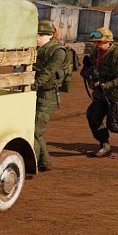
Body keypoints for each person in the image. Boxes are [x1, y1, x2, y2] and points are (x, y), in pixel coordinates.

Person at [83, 27, 118, 158]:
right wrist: (88, 76)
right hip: (100, 94)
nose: (96, 45)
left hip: (116, 94)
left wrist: (105, 85)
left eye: (99, 42)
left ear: (109, 41)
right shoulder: (95, 53)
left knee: (115, 125)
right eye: (95, 42)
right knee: (93, 117)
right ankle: (105, 145)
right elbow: (89, 69)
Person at [31, 20, 68, 171]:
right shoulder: (37, 49)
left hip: (48, 95)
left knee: (35, 130)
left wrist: (34, 84)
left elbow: (48, 72)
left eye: (41, 35)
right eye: (36, 34)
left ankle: (33, 162)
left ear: (50, 35)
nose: (37, 38)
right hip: (36, 93)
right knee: (34, 130)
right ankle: (44, 162)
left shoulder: (58, 52)